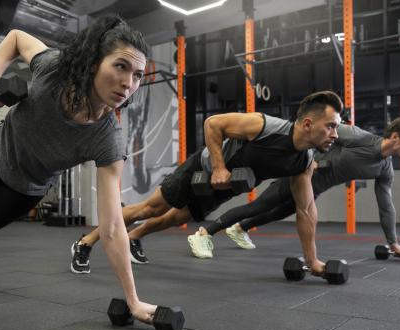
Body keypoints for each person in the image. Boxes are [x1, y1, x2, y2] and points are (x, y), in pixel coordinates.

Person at [0, 15, 157, 323]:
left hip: (26, 186)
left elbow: (110, 227)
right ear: (95, 62)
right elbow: (15, 36)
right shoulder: (54, 68)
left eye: (138, 75)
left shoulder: (107, 140)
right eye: (121, 66)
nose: (128, 83)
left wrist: (133, 300)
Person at [71, 90, 343, 278]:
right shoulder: (264, 126)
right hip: (201, 169)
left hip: (224, 187)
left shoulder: (304, 163)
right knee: (150, 209)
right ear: (308, 123)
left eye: (337, 127)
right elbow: (213, 124)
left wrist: (312, 260)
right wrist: (219, 167)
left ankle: (133, 238)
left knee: (175, 218)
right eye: (330, 126)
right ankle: (85, 242)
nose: (335, 134)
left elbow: (306, 210)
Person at [194, 117, 400, 258]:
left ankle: (239, 229)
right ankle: (203, 234)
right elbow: (320, 133)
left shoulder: (385, 169)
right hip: (300, 175)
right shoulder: (361, 138)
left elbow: (386, 206)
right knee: (260, 206)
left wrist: (393, 243)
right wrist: (311, 157)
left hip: (315, 188)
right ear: (395, 137)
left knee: (277, 213)